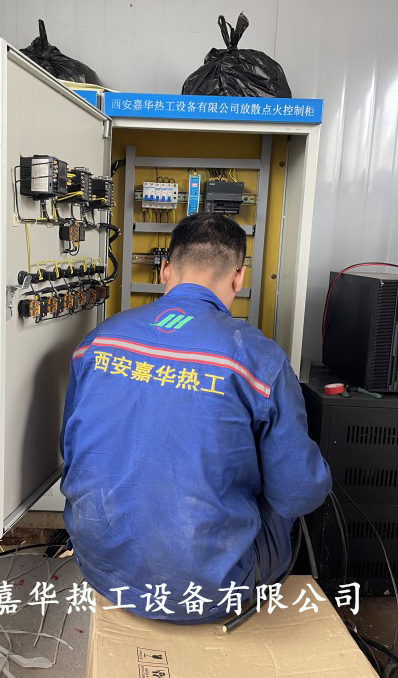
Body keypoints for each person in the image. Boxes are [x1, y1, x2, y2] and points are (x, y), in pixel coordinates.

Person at [60, 213, 331, 622]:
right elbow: (299, 494)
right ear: (238, 278)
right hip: (209, 592)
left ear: (165, 270)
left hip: (101, 568)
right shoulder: (259, 359)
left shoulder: (97, 341)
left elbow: (72, 449)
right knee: (287, 490)